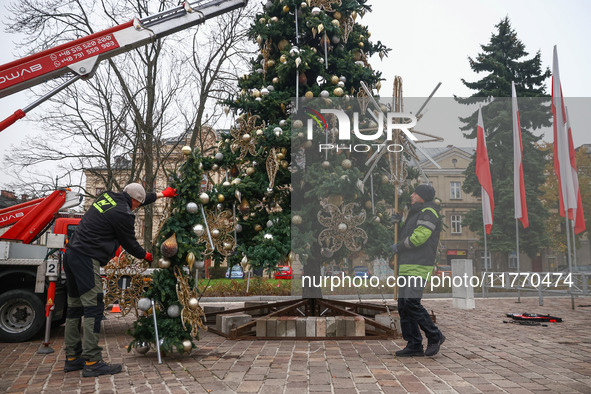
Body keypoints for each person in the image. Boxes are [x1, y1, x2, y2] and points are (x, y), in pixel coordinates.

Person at [63, 183, 177, 377]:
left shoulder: (107, 197)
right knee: (94, 306)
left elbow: (142, 198)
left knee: (74, 307)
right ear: (134, 201)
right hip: (86, 257)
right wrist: (146, 256)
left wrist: (162, 194)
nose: (137, 208)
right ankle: (92, 361)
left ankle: (72, 358)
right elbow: (129, 243)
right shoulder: (123, 214)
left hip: (71, 254)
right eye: (137, 205)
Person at [391, 183, 445, 357]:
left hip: (419, 265)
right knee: (404, 306)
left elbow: (420, 237)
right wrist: (397, 225)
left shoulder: (429, 212)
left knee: (412, 303)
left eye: (415, 193)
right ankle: (414, 344)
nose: (412, 195)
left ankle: (435, 336)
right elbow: (407, 236)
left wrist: (399, 246)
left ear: (423, 196)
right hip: (407, 265)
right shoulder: (415, 213)